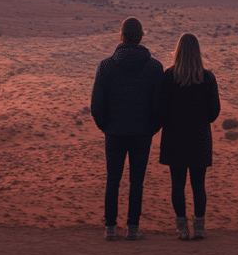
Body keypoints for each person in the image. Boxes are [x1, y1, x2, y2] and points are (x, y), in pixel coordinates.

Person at [90, 16, 164, 240]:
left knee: (113, 179)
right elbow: (159, 105)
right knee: (136, 181)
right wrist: (152, 128)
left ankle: (110, 228)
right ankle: (133, 228)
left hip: (114, 132)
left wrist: (106, 126)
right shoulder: (155, 67)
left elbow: (96, 105)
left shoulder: (106, 66)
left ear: (121, 36)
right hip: (142, 132)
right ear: (141, 36)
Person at [158, 32, 220, 240]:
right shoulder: (208, 77)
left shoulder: (169, 76)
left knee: (177, 184)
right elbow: (214, 113)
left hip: (174, 138)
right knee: (198, 185)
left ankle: (182, 228)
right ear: (198, 52)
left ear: (178, 51)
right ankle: (200, 227)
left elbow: (162, 110)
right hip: (199, 138)